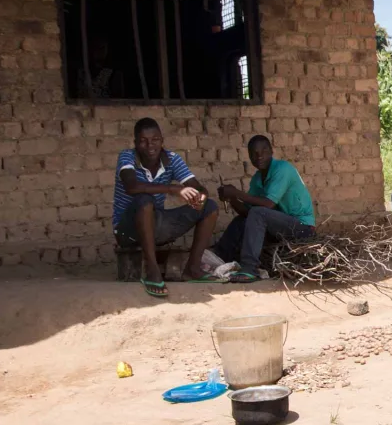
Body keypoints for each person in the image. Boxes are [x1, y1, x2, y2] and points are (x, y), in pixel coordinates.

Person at [113, 118, 218, 297]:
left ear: (162, 140)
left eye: (155, 140)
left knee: (209, 207)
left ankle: (192, 268)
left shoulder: (172, 159)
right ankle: (152, 271)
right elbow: (132, 187)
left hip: (156, 224)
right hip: (127, 230)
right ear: (136, 143)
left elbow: (200, 188)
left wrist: (199, 197)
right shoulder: (127, 157)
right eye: (143, 141)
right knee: (144, 200)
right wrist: (173, 189)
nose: (150, 145)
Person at [213, 135, 315, 281]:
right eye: (254, 153)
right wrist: (232, 198)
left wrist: (236, 192)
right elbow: (247, 212)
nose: (259, 156)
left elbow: (268, 204)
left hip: (302, 228)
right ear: (249, 156)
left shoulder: (283, 169)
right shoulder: (257, 178)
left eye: (264, 151)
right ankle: (218, 258)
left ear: (271, 152)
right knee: (243, 219)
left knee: (259, 212)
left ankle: (249, 269)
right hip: (281, 227)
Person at [77, 34, 124, 99]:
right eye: (96, 47)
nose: (99, 51)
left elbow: (119, 100)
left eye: (102, 48)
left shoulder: (115, 74)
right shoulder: (81, 72)